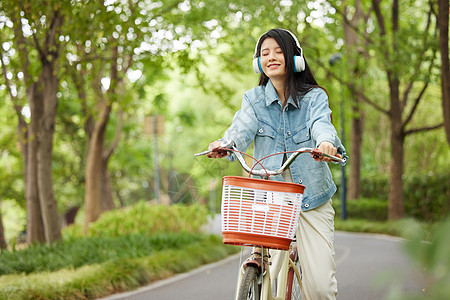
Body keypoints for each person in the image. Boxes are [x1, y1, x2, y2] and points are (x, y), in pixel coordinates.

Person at [207, 28, 347, 299]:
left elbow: (321, 124)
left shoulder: (314, 97)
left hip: (311, 198)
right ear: (258, 61)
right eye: (264, 53)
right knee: (272, 282)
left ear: (295, 58)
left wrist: (326, 144)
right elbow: (241, 128)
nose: (271, 57)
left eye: (278, 51)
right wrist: (225, 144)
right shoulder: (254, 100)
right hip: (270, 200)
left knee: (320, 288)